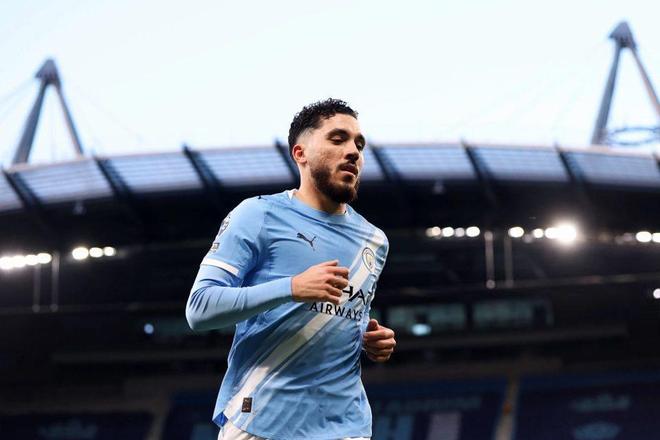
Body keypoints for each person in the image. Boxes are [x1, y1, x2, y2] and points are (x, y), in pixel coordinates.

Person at [186, 98, 396, 440]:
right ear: (301, 154)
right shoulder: (258, 215)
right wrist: (291, 287)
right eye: (338, 139)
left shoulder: (374, 240)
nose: (353, 152)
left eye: (359, 145)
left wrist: (368, 340)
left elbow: (343, 317)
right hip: (261, 421)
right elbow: (200, 308)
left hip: (344, 425)